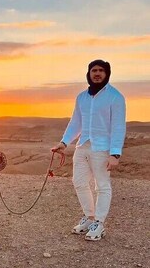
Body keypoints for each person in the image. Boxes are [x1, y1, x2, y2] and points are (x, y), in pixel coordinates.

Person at [51, 59, 126, 241]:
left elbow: (118, 126)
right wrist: (64, 142)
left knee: (102, 186)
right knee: (79, 182)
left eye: (101, 70)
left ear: (107, 73)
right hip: (82, 146)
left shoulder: (115, 97)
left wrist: (115, 153)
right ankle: (89, 218)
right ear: (89, 73)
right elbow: (76, 122)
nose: (97, 73)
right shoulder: (82, 97)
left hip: (102, 148)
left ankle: (99, 223)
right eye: (94, 70)